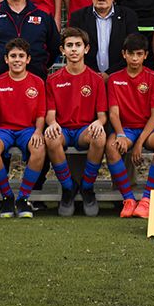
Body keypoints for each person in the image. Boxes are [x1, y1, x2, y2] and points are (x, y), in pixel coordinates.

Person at [43, 28, 108, 217]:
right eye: (69, 45)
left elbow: (102, 115)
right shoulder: (53, 79)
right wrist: (52, 123)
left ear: (86, 49)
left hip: (84, 131)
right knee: (51, 138)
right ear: (62, 50)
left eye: (78, 45)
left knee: (100, 136)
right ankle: (68, 188)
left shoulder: (96, 79)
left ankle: (87, 188)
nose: (73, 49)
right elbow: (50, 113)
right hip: (63, 130)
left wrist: (99, 122)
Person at [105, 33, 154, 219]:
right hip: (125, 129)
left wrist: (139, 143)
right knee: (111, 147)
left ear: (146, 55)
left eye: (139, 54)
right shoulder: (115, 79)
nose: (135, 58)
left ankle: (147, 199)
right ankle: (128, 199)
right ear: (124, 54)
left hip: (147, 129)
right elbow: (113, 113)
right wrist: (119, 135)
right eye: (131, 54)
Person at [0, 38, 48, 218]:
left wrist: (37, 131)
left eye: (21, 56)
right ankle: (7, 197)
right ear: (6, 59)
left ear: (28, 59)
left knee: (39, 148)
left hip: (28, 129)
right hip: (3, 130)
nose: (17, 59)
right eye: (13, 56)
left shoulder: (37, 82)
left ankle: (23, 198)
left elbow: (41, 113)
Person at [69, 0, 138, 79]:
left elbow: (131, 49)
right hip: (86, 78)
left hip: (120, 79)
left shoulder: (128, 16)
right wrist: (94, 76)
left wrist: (109, 74)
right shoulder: (78, 17)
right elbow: (75, 49)